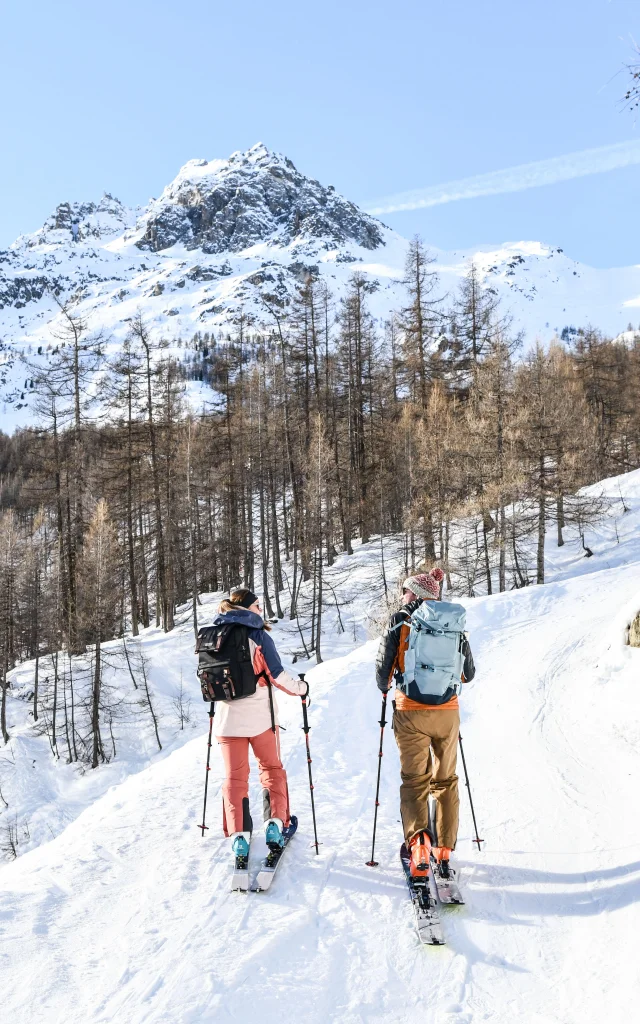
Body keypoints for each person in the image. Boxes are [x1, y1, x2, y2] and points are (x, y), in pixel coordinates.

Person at [375, 568, 475, 878]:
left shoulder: (401, 619)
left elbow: (383, 668)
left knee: (415, 781)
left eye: (406, 591)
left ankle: (418, 844)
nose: (402, 596)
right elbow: (468, 673)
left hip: (410, 711)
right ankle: (444, 849)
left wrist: (384, 686)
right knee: (446, 781)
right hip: (447, 713)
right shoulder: (452, 622)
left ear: (416, 594)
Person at [210, 588, 308, 861]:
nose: (260, 610)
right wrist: (302, 689)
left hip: (227, 721)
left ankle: (239, 837)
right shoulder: (258, 635)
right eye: (257, 606)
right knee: (271, 768)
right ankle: (275, 824)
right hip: (260, 719)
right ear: (247, 609)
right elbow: (277, 676)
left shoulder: (214, 634)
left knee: (234, 778)